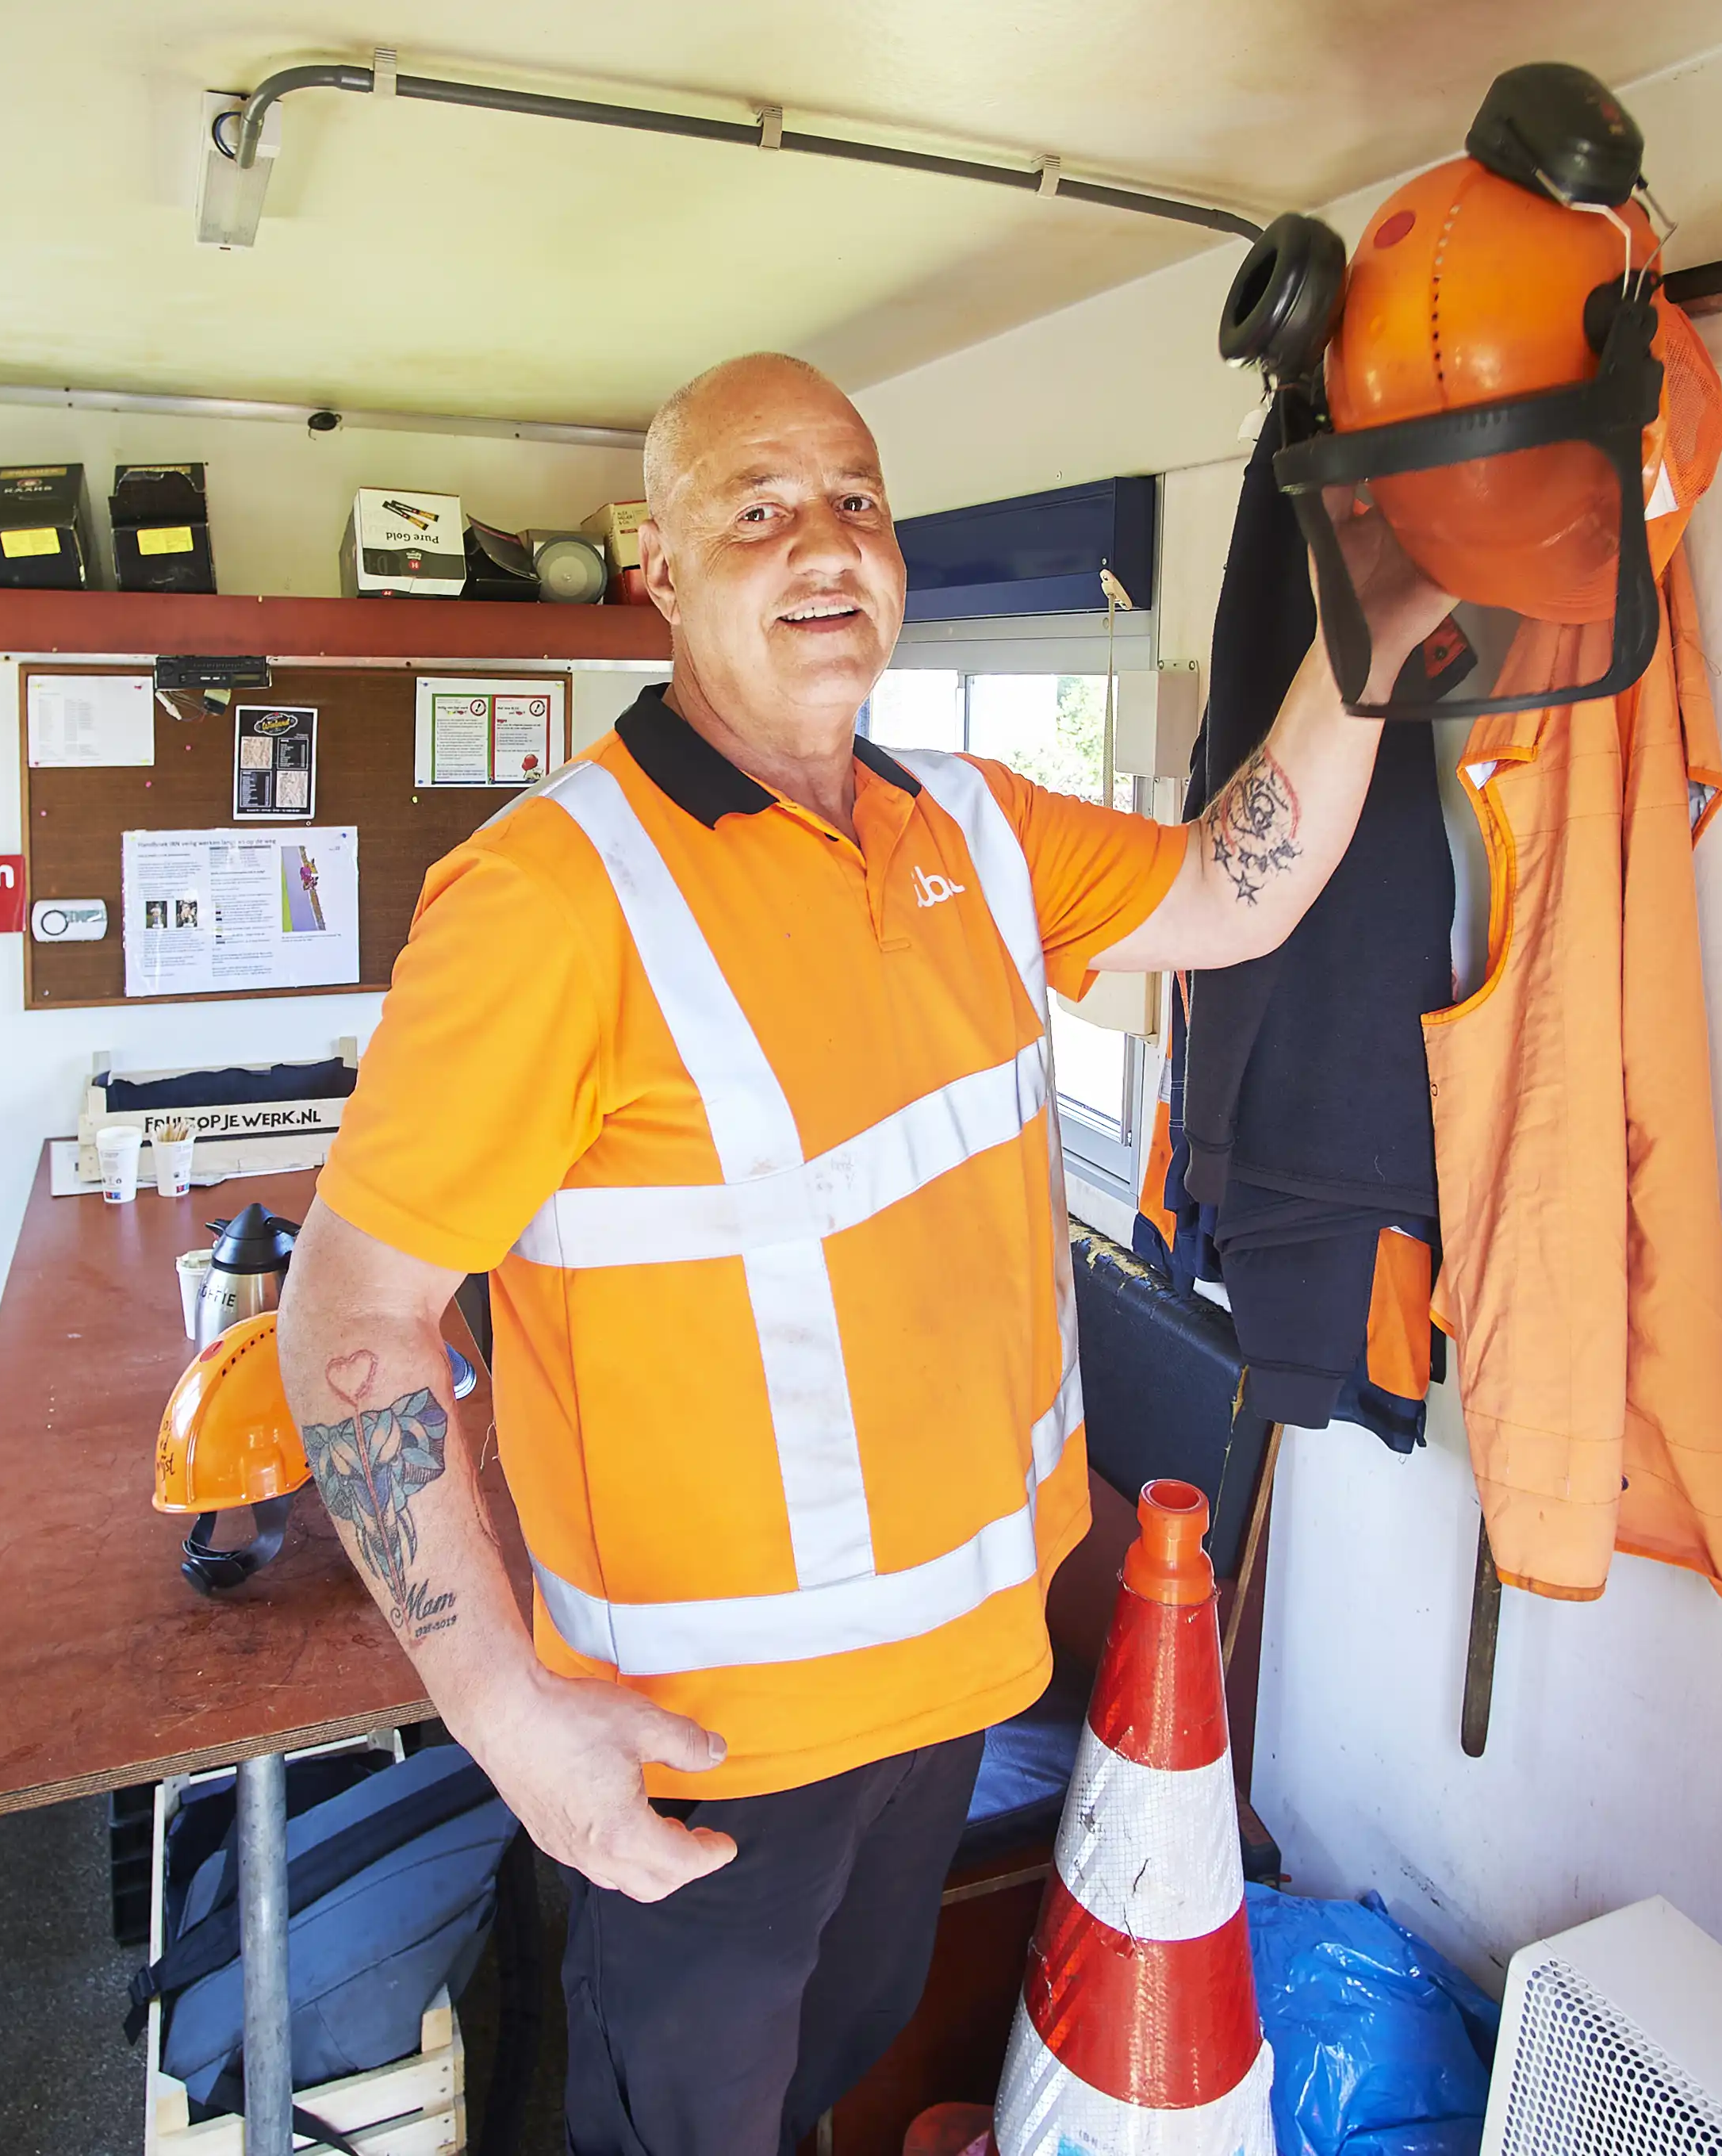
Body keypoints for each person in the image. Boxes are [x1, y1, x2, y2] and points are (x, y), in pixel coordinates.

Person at [279, 352, 1452, 2156]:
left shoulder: (970, 830)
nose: (823, 543)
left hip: (955, 1697)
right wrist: (506, 1717)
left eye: (857, 501)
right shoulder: (550, 900)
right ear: (655, 573)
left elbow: (1238, 887)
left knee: (837, 2066)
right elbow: (350, 1317)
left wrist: (1362, 644)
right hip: (711, 1752)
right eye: (754, 510)